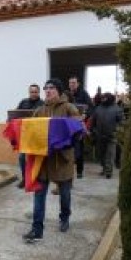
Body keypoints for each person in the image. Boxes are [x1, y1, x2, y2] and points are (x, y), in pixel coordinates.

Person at [23, 78, 80, 243]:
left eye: (52, 88)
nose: (47, 90)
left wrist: (63, 139)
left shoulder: (69, 107)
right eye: (46, 88)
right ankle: (37, 229)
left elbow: (78, 130)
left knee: (65, 194)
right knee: (39, 195)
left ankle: (64, 217)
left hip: (62, 160)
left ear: (59, 91)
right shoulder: (39, 110)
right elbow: (31, 131)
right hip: (43, 161)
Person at [15, 84, 44, 188]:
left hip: (37, 136)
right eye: (32, 92)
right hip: (25, 136)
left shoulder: (43, 104)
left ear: (39, 92)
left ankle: (37, 178)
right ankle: (25, 179)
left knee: (37, 159)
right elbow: (16, 114)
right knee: (22, 158)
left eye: (35, 92)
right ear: (29, 92)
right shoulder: (23, 102)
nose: (33, 93)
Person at [89, 92, 123, 178]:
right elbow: (93, 121)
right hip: (99, 135)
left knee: (110, 154)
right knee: (101, 154)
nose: (103, 99)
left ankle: (109, 171)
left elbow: (121, 121)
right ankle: (104, 168)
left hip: (112, 136)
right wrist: (93, 130)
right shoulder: (98, 108)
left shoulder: (117, 109)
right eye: (102, 98)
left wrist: (117, 131)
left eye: (105, 98)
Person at [67, 76, 94, 179]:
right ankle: (69, 171)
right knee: (68, 149)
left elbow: (91, 108)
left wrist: (85, 116)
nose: (72, 85)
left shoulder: (84, 94)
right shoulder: (66, 94)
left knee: (79, 151)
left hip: (79, 125)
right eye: (70, 83)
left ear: (78, 84)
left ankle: (79, 171)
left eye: (74, 83)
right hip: (68, 126)